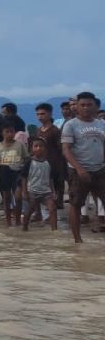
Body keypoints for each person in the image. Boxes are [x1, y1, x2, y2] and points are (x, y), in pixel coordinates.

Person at [61, 92, 105, 243]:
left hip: (100, 169)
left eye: (89, 105)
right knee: (75, 204)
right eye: (83, 105)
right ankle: (77, 241)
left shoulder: (101, 124)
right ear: (77, 107)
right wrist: (79, 169)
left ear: (95, 106)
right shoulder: (70, 125)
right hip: (78, 171)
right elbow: (66, 149)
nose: (86, 108)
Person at [0, 125, 28, 227]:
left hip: (17, 172)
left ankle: (18, 220)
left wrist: (25, 173)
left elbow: (26, 158)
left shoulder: (20, 144)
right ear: (2, 133)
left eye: (12, 132)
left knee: (18, 197)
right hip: (4, 171)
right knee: (6, 198)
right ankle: (8, 221)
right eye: (7, 132)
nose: (10, 134)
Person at [21, 139, 56, 231]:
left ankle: (55, 231)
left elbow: (50, 178)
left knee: (52, 208)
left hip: (46, 191)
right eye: (35, 146)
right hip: (32, 191)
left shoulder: (48, 163)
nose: (38, 148)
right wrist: (24, 192)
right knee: (29, 211)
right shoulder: (29, 162)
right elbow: (24, 177)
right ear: (31, 149)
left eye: (41, 146)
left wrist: (53, 192)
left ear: (45, 148)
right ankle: (24, 228)